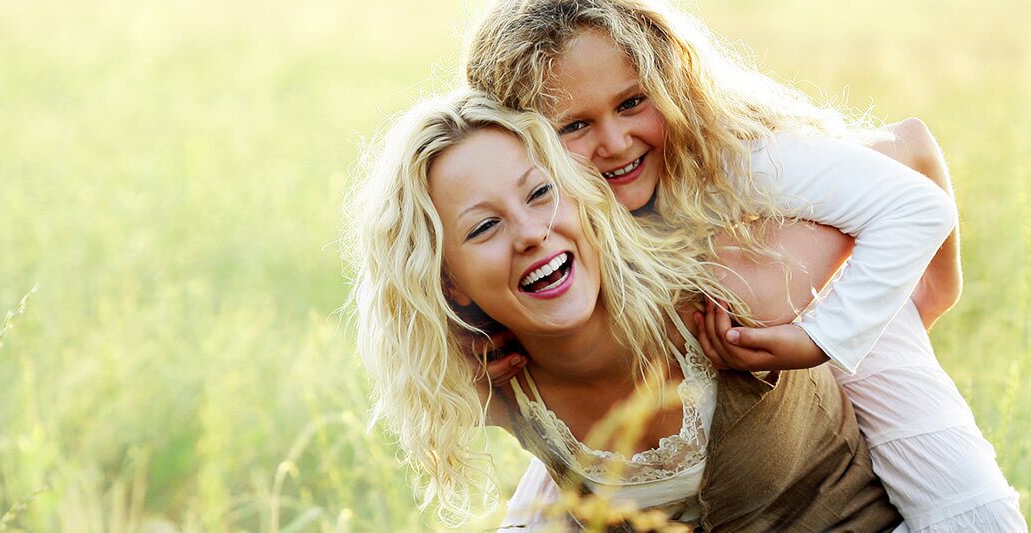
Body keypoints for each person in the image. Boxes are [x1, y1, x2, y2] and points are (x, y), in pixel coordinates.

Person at [463, 0, 1024, 529]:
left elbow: (913, 181)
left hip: (832, 306)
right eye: (573, 126)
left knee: (961, 502)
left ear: (670, 84)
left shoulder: (736, 160)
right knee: (558, 486)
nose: (614, 141)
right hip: (679, 371)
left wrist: (844, 330)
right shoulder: (553, 213)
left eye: (632, 103)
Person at [346, 89, 901, 530]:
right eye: (485, 226)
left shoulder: (725, 289)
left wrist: (867, 325)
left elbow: (907, 153)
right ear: (451, 284)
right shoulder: (491, 382)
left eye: (540, 193)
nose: (531, 233)